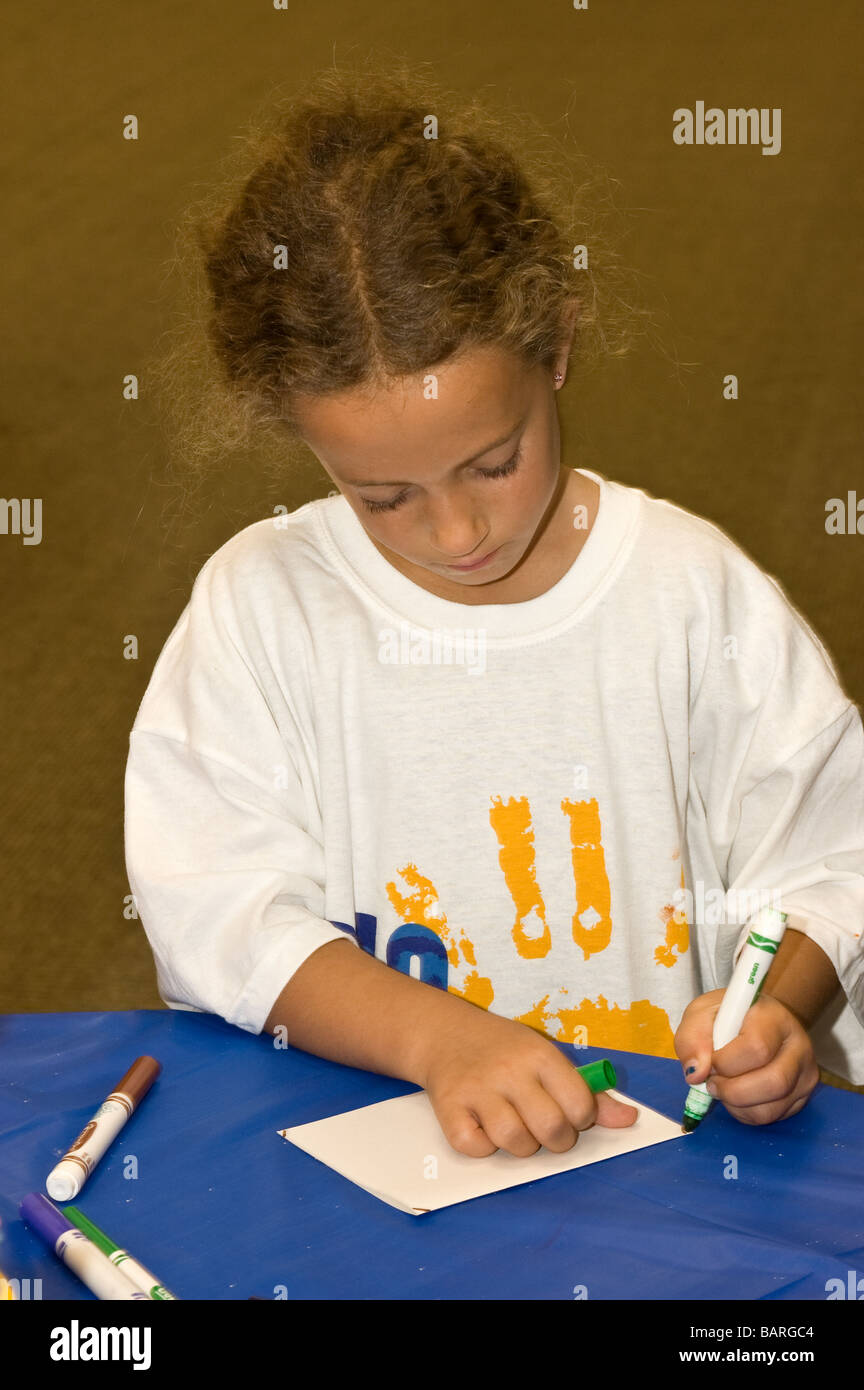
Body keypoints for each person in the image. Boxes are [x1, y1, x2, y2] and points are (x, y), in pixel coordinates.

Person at [125, 61, 864, 1159]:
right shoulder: (261, 610)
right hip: (376, 1171)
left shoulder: (690, 593)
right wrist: (439, 1040)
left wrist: (774, 1012)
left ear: (556, 346)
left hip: (656, 1182)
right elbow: (217, 917)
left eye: (493, 462)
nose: (456, 533)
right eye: (382, 498)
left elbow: (829, 860)